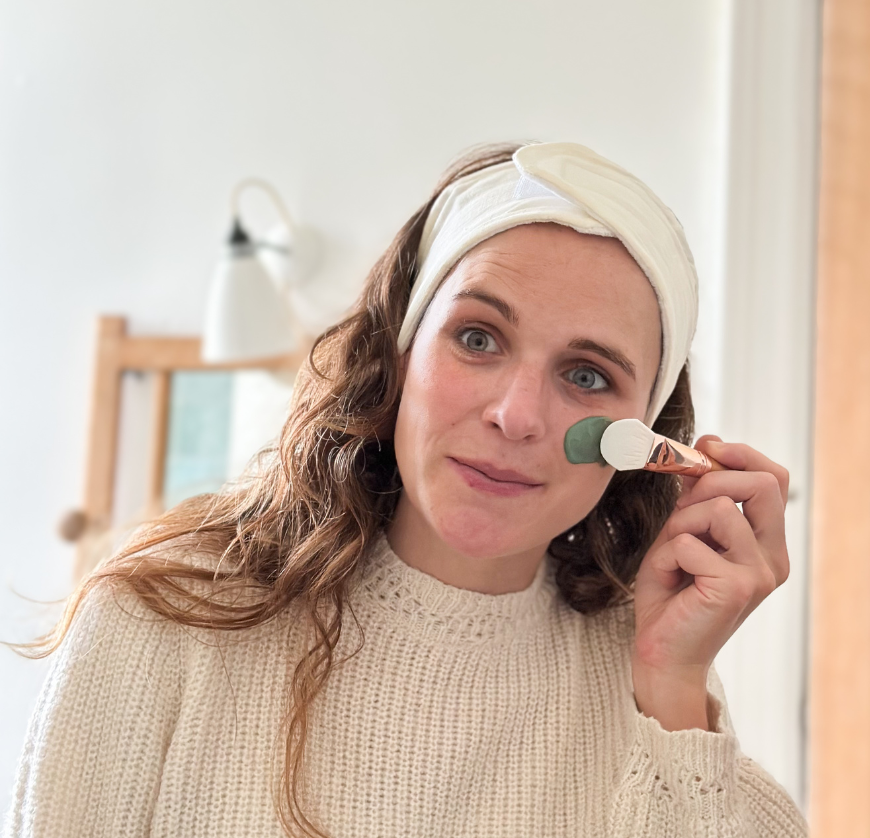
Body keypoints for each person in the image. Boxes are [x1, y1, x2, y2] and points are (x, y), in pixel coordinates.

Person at [4, 142, 808, 838]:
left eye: (587, 374)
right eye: (477, 337)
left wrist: (672, 690)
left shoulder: (657, 705)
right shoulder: (162, 622)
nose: (517, 414)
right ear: (398, 355)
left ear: (643, 442)